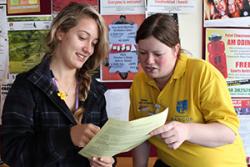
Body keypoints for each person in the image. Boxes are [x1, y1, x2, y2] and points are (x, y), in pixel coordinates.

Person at [0, 2, 115, 167]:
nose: (88, 49)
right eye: (82, 37)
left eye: (94, 43)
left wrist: (108, 161)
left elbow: (107, 147)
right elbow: (12, 152)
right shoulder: (27, 86)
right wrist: (67, 137)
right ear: (60, 32)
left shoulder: (95, 92)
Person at [129, 13, 247, 167]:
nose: (149, 61)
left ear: (175, 49)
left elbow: (228, 133)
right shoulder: (139, 83)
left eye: (158, 54)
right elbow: (140, 135)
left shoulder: (202, 73)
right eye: (142, 53)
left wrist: (187, 131)